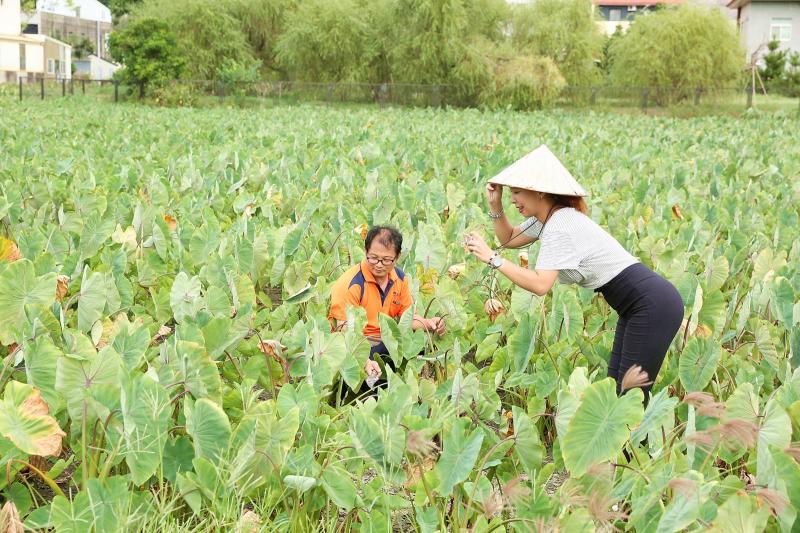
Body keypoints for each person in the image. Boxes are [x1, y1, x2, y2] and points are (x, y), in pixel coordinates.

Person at [465, 145, 684, 399]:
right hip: (637, 305)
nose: (512, 199)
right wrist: (495, 204)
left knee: (629, 399)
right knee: (617, 396)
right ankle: (632, 440)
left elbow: (540, 285)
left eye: (516, 192)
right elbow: (509, 238)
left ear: (539, 192)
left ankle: (639, 440)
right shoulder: (549, 218)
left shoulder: (560, 225)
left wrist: (492, 258)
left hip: (651, 304)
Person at [329, 225, 446, 382]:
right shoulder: (351, 283)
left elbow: (407, 318)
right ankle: (367, 395)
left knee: (420, 343)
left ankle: (402, 387)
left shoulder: (400, 279)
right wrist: (364, 360)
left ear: (397, 257)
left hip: (384, 341)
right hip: (355, 343)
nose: (378, 264)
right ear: (365, 252)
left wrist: (429, 323)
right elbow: (343, 330)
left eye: (386, 260)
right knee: (372, 373)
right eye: (373, 258)